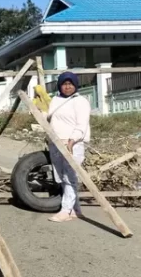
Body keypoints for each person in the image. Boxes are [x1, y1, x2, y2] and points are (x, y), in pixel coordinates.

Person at [46, 72, 90, 222]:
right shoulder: (55, 100)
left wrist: (72, 141)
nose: (67, 87)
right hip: (55, 143)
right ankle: (76, 210)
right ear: (60, 85)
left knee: (69, 177)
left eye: (70, 84)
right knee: (62, 177)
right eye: (64, 84)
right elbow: (50, 119)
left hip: (72, 144)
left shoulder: (80, 101)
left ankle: (65, 210)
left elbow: (81, 124)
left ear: (76, 85)